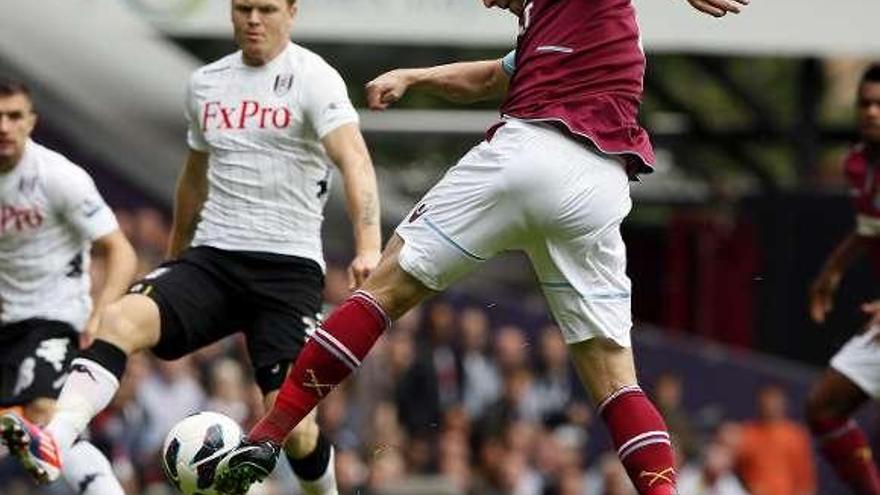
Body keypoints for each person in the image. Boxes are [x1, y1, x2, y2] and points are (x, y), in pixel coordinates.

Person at [213, 0, 749, 494]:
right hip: (599, 187)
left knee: (385, 288)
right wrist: (415, 77)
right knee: (614, 377)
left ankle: (269, 432)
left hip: (528, 153)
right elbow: (491, 76)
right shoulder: (557, 26)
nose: (489, 1)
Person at [0, 1, 382, 494]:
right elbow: (193, 179)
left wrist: (368, 246)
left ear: (292, 11)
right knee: (118, 319)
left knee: (296, 430)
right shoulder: (206, 83)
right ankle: (54, 437)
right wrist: (177, 253)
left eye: (266, 8)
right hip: (213, 259)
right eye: (243, 7)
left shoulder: (315, 78)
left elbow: (354, 158)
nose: (253, 19)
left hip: (287, 271)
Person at [0, 78, 137, 495]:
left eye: (14, 116)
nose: (4, 126)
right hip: (5, 319)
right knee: (34, 432)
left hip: (54, 315)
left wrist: (102, 312)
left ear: (31, 122)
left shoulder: (59, 177)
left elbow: (120, 251)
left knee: (44, 412)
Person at [805, 63, 880, 495]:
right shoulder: (857, 163)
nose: (871, 112)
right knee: (824, 407)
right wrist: (830, 274)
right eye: (865, 104)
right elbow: (869, 229)